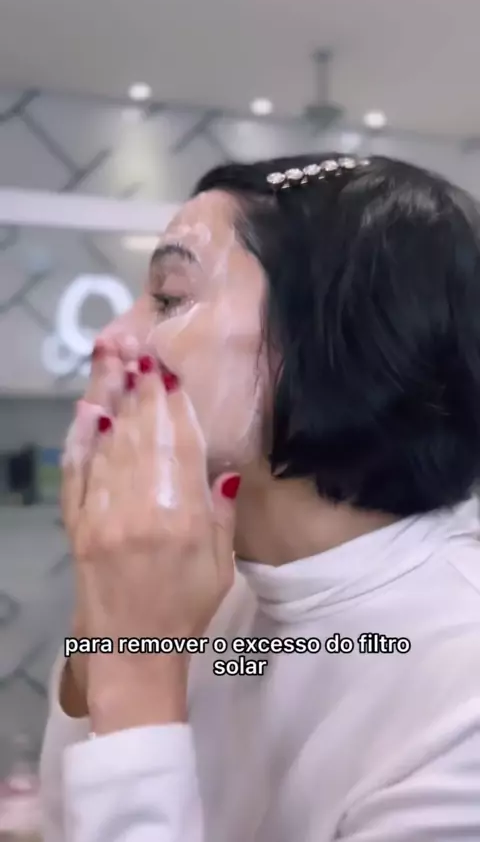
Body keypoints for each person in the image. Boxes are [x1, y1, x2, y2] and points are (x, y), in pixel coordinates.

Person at [40, 154, 480, 842]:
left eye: (168, 298)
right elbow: (65, 822)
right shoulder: (208, 597)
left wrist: (139, 676)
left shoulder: (462, 683)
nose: (112, 339)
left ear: (344, 341)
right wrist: (112, 612)